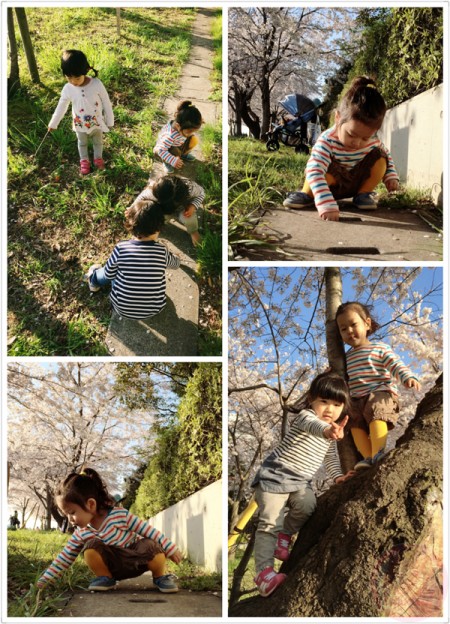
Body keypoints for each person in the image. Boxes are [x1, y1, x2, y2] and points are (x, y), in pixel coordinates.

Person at [251, 372, 355, 597]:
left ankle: (285, 535)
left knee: (308, 505)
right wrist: (328, 430)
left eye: (337, 404)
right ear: (311, 400)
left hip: (300, 481)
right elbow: (314, 427)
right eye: (324, 402)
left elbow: (330, 459)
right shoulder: (306, 417)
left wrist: (337, 477)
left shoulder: (331, 431)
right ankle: (263, 574)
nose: (329, 409)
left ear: (344, 407)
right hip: (274, 477)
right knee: (269, 523)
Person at [36, 468, 183, 592]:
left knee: (151, 544)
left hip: (137, 559)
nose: (70, 519)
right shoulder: (81, 533)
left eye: (72, 513)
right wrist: (44, 581)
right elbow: (64, 559)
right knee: (91, 548)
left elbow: (148, 531)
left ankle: (159, 577)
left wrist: (170, 549)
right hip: (113, 566)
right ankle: (106, 578)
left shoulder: (120, 515)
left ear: (91, 504)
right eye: (66, 514)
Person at [283, 76, 399, 220]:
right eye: (351, 135)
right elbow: (315, 171)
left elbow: (386, 155)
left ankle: (363, 194)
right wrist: (325, 203)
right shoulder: (327, 140)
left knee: (380, 157)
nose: (357, 143)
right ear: (338, 118)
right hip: (331, 184)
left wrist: (390, 176)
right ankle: (307, 194)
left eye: (365, 138)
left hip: (355, 183)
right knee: (318, 173)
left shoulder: (372, 141)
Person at [335, 301, 421, 471]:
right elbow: (341, 377)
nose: (349, 331)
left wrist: (407, 377)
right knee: (353, 422)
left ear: (367, 323)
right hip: (356, 397)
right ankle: (368, 458)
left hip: (380, 392)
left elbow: (395, 364)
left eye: (353, 324)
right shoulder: (345, 358)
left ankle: (378, 452)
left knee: (376, 412)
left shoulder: (379, 348)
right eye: (343, 329)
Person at [85, 200, 180, 320]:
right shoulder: (162, 251)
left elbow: (109, 274)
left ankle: (93, 281)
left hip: (121, 309)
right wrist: (176, 258)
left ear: (131, 227)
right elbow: (175, 264)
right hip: (155, 309)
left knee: (108, 271)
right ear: (159, 228)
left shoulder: (121, 248)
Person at [48, 50, 114, 175]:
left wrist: (109, 120)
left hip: (96, 122)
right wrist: (53, 123)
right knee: (82, 143)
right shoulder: (68, 89)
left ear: (85, 71)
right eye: (69, 77)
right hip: (80, 124)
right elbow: (61, 106)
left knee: (98, 142)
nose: (73, 81)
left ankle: (98, 159)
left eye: (77, 77)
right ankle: (84, 161)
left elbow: (106, 101)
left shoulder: (96, 84)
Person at [128, 174, 204, 246]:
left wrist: (193, 206)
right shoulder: (152, 191)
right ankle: (157, 227)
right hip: (160, 210)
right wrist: (132, 208)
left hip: (182, 208)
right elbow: (140, 199)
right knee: (150, 216)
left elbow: (202, 193)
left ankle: (193, 231)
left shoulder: (190, 188)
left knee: (189, 217)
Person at [154, 100, 203, 173]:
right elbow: (160, 150)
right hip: (167, 149)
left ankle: (182, 154)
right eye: (189, 132)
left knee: (192, 140)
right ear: (178, 126)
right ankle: (167, 162)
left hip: (178, 142)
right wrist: (172, 160)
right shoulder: (169, 136)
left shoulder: (182, 126)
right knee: (175, 151)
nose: (191, 134)